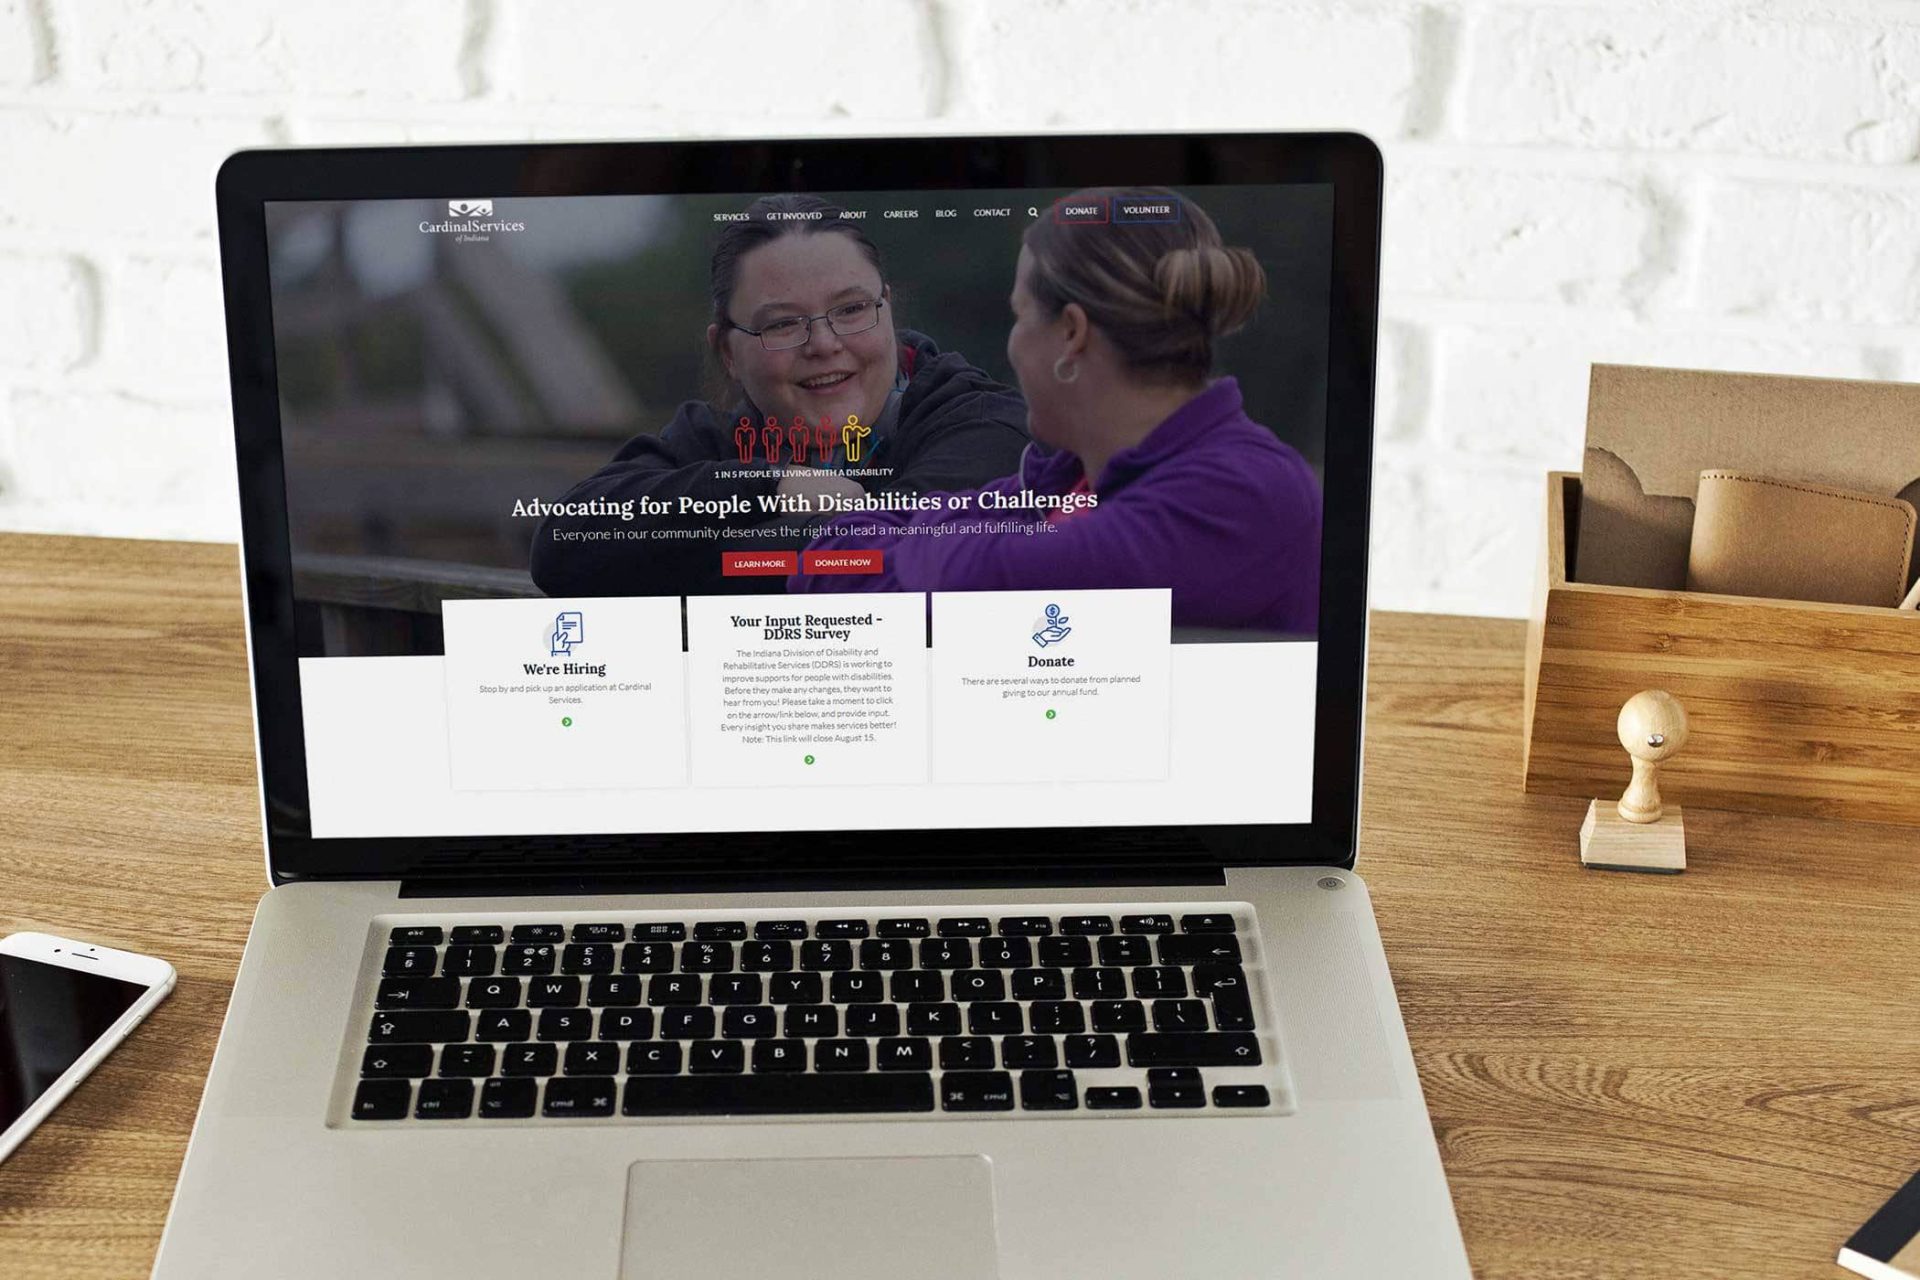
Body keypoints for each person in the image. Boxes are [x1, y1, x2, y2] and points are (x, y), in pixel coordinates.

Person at [791, 188, 1322, 633]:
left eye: (1020, 315)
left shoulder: (1242, 495)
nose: (1012, 344)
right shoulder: (1067, 484)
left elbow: (870, 596)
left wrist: (915, 547)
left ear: (1071, 333)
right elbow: (829, 560)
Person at [530, 194, 1029, 597]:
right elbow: (563, 546)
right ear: (727, 351)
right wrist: (771, 487)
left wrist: (684, 552)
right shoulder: (717, 438)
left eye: (852, 309)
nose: (825, 344)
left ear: (888, 310)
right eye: (783, 323)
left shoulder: (985, 425)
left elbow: (881, 558)